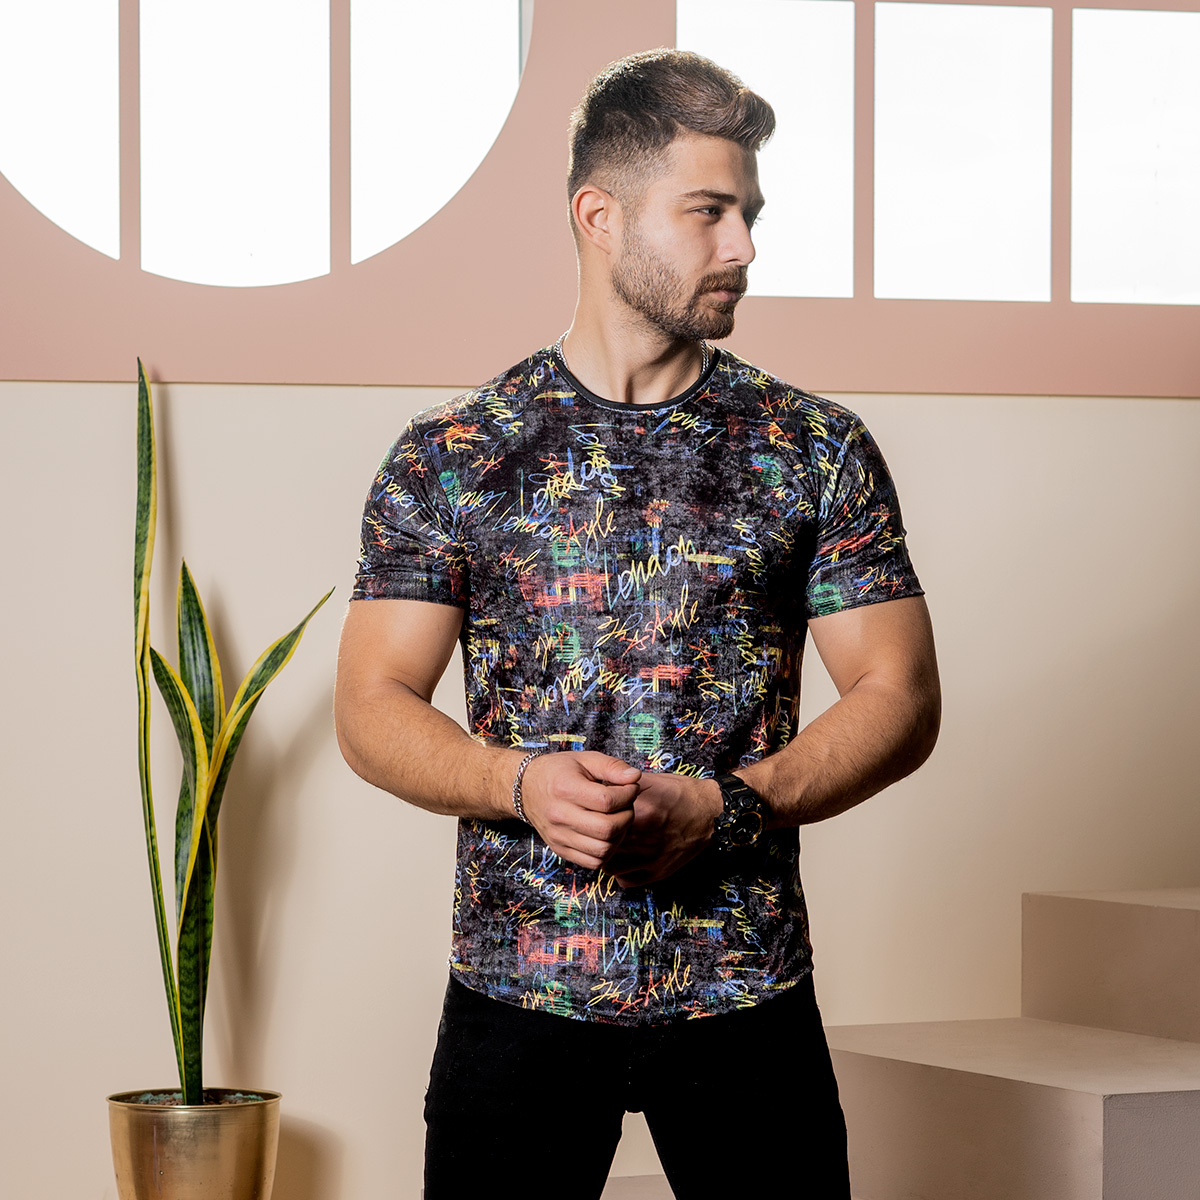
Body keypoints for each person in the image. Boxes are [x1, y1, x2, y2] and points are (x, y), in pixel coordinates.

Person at [335, 48, 940, 1200]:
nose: (744, 247)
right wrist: (519, 784)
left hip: (746, 987)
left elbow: (900, 696)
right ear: (599, 215)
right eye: (709, 211)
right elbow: (372, 704)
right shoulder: (455, 452)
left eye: (749, 214)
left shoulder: (815, 448)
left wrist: (728, 806)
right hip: (516, 990)